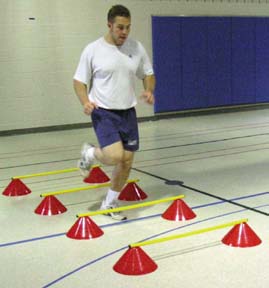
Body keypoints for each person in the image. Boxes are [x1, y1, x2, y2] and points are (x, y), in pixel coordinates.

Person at [73, 4, 155, 220]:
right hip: (103, 111)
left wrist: (148, 89)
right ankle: (90, 153)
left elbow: (148, 72)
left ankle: (109, 204)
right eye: (120, 27)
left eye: (128, 27)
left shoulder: (136, 48)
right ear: (109, 25)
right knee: (114, 156)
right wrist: (85, 101)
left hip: (127, 112)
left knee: (127, 161)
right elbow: (79, 81)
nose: (124, 32)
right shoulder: (93, 50)